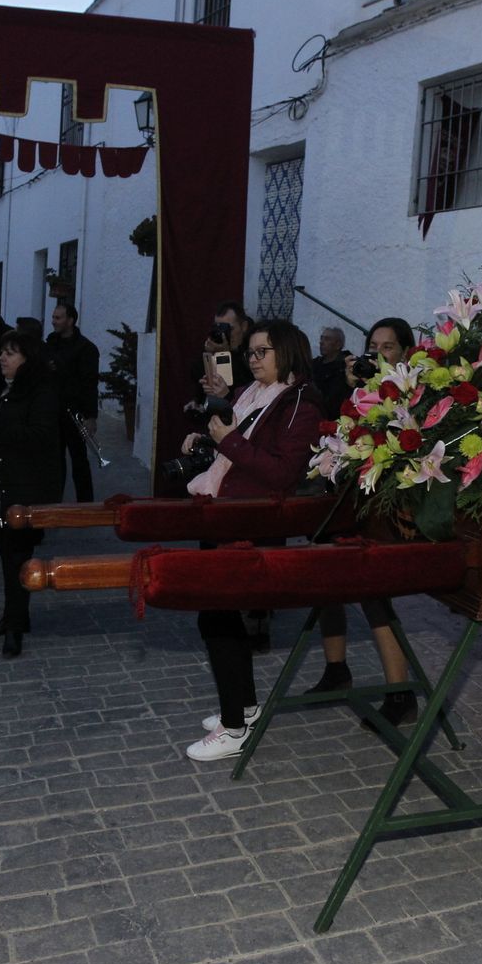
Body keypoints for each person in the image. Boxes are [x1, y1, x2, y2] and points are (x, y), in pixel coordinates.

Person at [180, 320, 322, 761]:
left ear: (288, 352)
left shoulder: (301, 403)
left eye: (263, 352)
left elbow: (282, 474)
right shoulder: (251, 393)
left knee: (217, 618)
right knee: (221, 618)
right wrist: (207, 441)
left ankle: (234, 728)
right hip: (224, 514)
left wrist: (229, 441)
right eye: (252, 352)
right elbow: (236, 448)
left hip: (251, 522)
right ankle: (243, 706)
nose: (254, 359)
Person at [306, 317, 421, 727]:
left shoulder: (415, 390)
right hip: (349, 495)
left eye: (388, 347)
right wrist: (351, 385)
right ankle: (336, 669)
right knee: (327, 577)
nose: (379, 354)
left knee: (375, 596)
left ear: (405, 352)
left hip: (385, 502)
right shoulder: (358, 387)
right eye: (374, 347)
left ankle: (400, 693)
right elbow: (332, 425)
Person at [0, 331, 61, 658]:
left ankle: (15, 627)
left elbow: (39, 438)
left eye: (11, 353)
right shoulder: (2, 389)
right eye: (2, 352)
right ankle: (13, 616)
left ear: (28, 359)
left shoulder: (41, 393)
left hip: (22, 491)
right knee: (6, 558)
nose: (2, 358)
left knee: (17, 559)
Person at [46, 301, 101, 502]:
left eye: (58, 318)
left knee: (79, 460)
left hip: (74, 412)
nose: (53, 321)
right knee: (55, 461)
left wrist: (91, 417)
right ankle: (54, 502)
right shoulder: (51, 342)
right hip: (53, 411)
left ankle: (86, 503)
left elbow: (90, 385)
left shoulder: (86, 349)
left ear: (70, 321)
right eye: (53, 317)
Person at [310, 325, 351, 419]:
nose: (321, 342)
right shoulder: (314, 364)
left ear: (338, 345)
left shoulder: (346, 366)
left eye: (327, 339)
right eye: (321, 338)